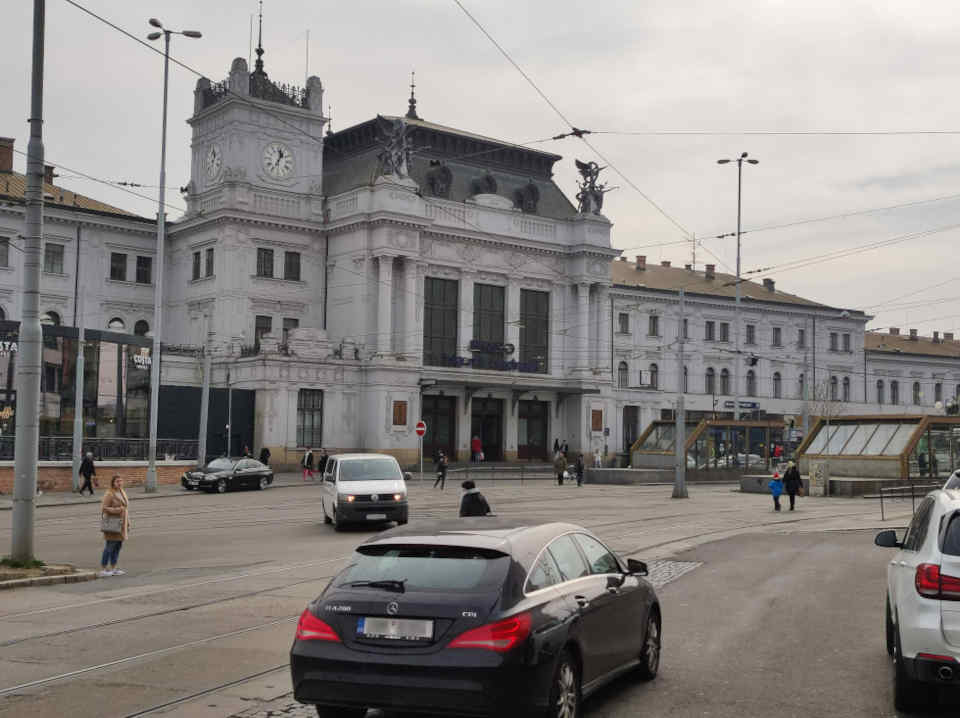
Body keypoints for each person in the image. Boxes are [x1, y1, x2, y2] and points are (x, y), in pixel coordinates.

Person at [99, 475, 130, 577]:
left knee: (117, 547)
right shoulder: (109, 494)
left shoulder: (122, 492)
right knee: (109, 547)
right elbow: (104, 508)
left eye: (121, 481)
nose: (120, 483)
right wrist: (118, 510)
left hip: (121, 525)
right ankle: (103, 568)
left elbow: (125, 509)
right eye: (117, 481)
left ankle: (114, 568)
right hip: (113, 524)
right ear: (113, 483)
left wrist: (128, 523)